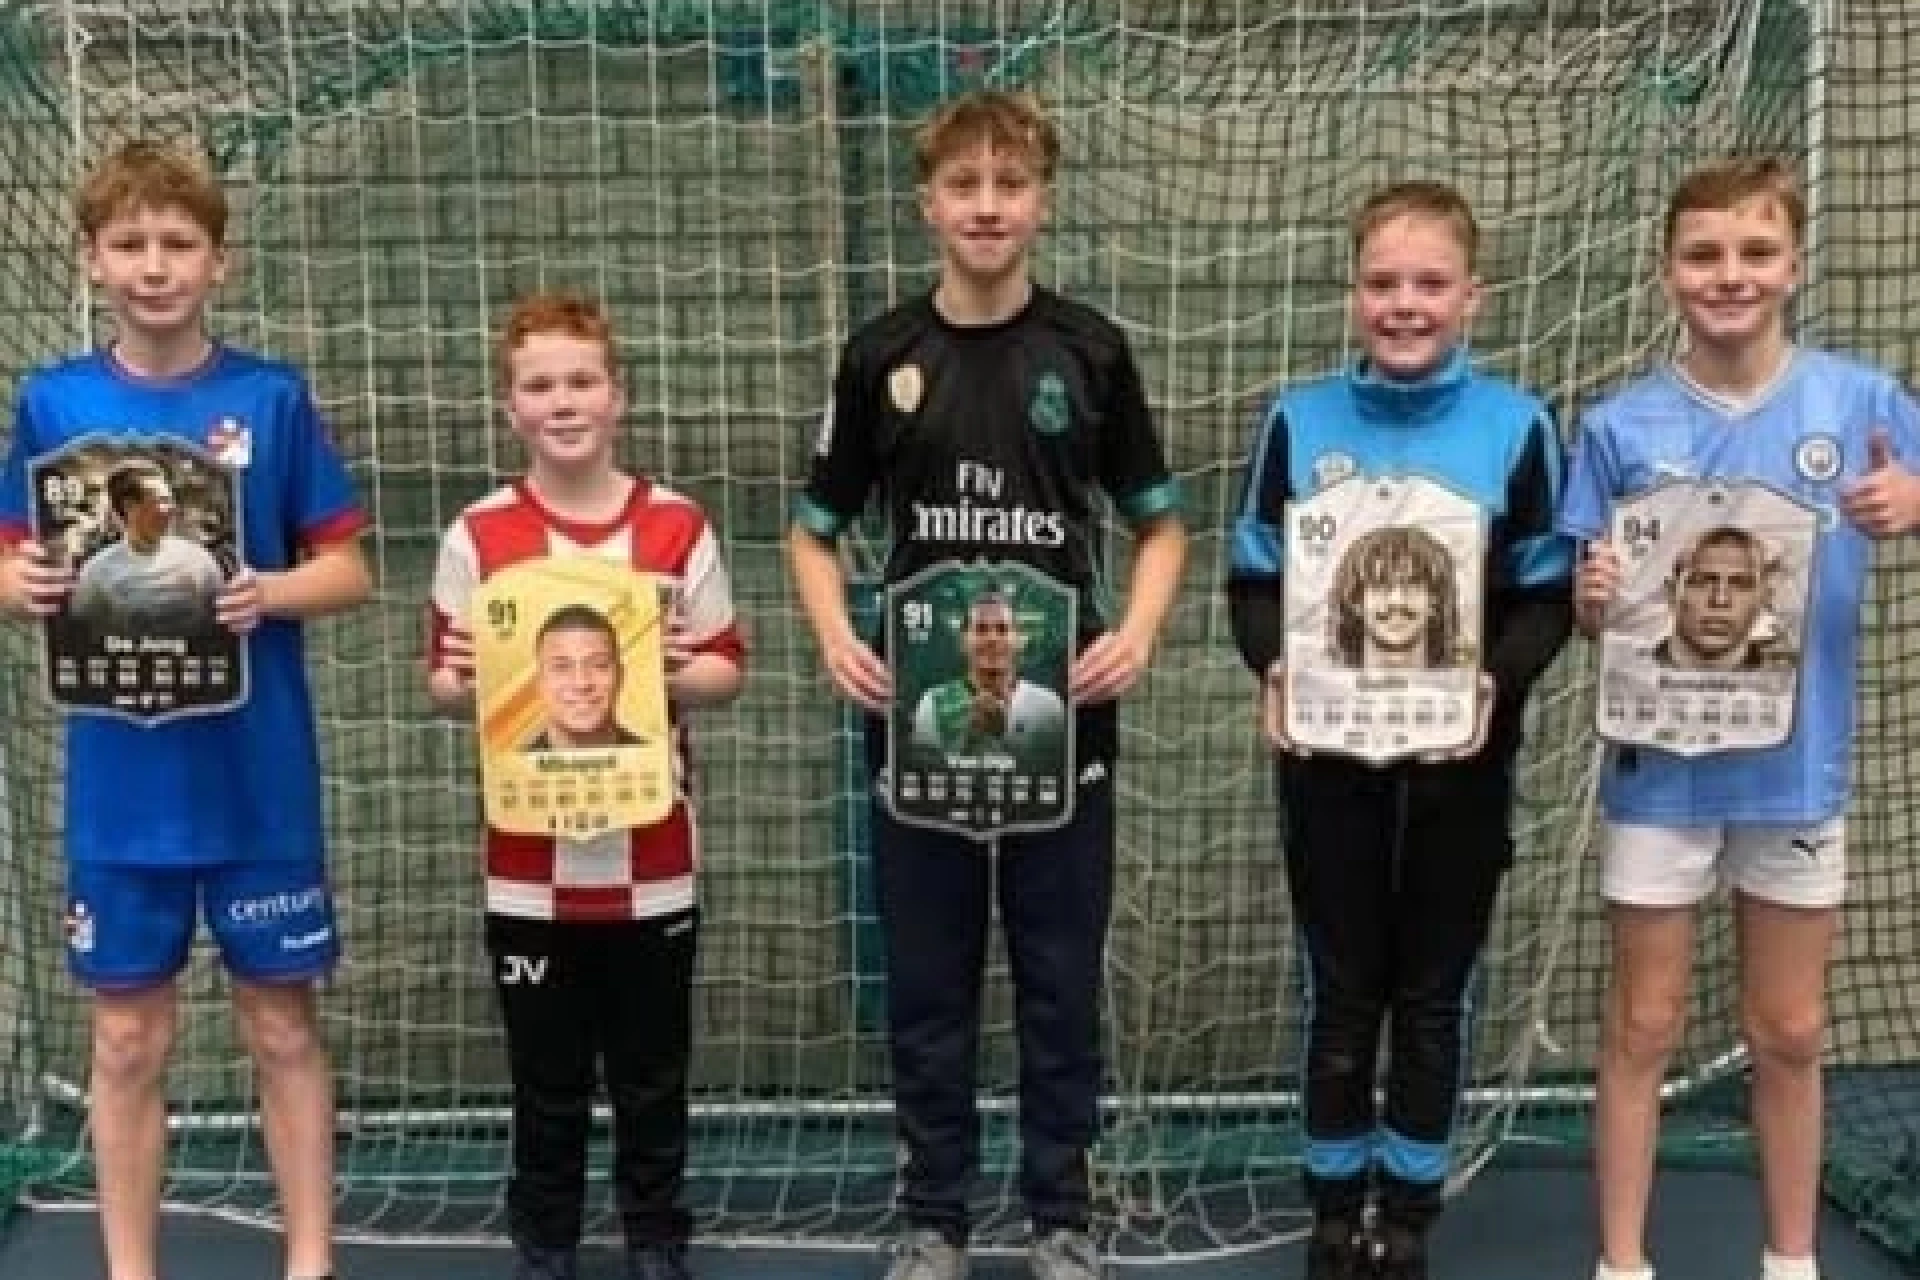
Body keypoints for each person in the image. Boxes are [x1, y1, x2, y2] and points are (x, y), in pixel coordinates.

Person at [787, 88, 1186, 1280]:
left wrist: (1139, 632)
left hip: (1064, 720)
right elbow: (812, 532)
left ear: (1042, 200)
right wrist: (835, 634)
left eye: (1010, 184)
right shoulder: (881, 357)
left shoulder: (1091, 351)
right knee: (929, 978)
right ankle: (935, 1217)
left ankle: (1061, 1211)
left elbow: (1162, 527)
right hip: (923, 724)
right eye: (964, 184)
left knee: (1059, 978)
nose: (987, 205)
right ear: (927, 202)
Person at [0, 139, 373, 1280]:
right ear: (91, 259)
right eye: (130, 244)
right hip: (123, 790)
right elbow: (11, 562)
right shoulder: (53, 403)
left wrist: (268, 591)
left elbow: (348, 570)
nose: (153, 266)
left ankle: (310, 1261)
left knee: (281, 1025)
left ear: (220, 260)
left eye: (177, 243)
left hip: (256, 778)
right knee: (125, 1038)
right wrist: (23, 584)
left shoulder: (271, 398)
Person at [1559, 157, 1920, 1280]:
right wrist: (1592, 595)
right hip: (1660, 773)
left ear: (1795, 265)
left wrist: (1914, 498)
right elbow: (1590, 602)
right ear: (1668, 270)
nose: (1731, 275)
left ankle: (1790, 1260)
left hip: (1796, 771)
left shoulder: (1861, 403)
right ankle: (1623, 1263)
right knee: (1644, 1023)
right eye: (1704, 253)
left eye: (1757, 252)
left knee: (1792, 1029)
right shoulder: (1619, 425)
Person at [1226, 179, 1572, 1280]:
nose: (1405, 304)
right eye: (1383, 282)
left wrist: (1492, 687)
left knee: (1431, 993)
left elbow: (1548, 595)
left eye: (1430, 283)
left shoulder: (1519, 426)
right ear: (1352, 294)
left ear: (1473, 295)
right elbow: (1252, 581)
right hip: (1328, 764)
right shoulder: (1297, 421)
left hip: (1460, 770)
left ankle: (1409, 1214)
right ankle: (1334, 1213)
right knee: (1340, 991)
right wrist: (1272, 666)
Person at [426, 293, 746, 1280]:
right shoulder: (479, 536)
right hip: (528, 867)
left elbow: (727, 670)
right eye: (539, 385)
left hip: (654, 861)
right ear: (510, 406)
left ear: (618, 395)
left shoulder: (676, 524)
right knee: (546, 1078)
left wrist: (676, 667)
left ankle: (656, 1236)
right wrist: (465, 679)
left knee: (653, 1074)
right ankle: (546, 1241)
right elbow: (444, 684)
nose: (562, 401)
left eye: (581, 381)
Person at [69, 457, 225, 633]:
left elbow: (222, 625)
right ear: (129, 507)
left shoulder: (199, 562)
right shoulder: (97, 573)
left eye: (170, 500)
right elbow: (83, 631)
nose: (172, 509)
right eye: (162, 501)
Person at [910, 587, 1065, 757]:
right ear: (963, 641)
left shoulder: (1048, 706)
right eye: (981, 629)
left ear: (1019, 640)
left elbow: (1053, 769)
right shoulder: (933, 703)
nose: (992, 638)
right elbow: (923, 768)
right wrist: (971, 738)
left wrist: (1004, 735)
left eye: (1002, 629)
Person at [1328, 525, 1463, 670]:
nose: (1397, 601)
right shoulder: (1319, 681)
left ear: (1436, 600)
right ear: (1355, 601)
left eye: (1412, 585)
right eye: (1381, 586)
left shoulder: (1465, 680)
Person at [1652, 525, 1785, 671]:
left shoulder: (1792, 678)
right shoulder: (1633, 670)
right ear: (1671, 592)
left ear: (1764, 598)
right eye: (1702, 582)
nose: (1720, 600)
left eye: (1740, 584)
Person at [526, 603, 647, 751]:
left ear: (620, 676)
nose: (581, 683)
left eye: (599, 665)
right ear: (539, 682)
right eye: (561, 667)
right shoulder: (511, 764)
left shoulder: (656, 760)